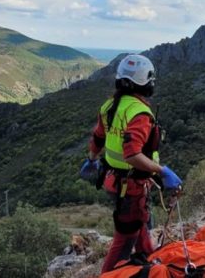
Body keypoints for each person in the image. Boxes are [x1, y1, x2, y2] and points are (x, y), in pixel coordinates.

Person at [80, 54, 183, 273]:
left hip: (113, 180)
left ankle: (147, 262)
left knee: (142, 226)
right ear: (144, 82)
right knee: (124, 241)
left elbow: (99, 138)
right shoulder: (139, 113)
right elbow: (132, 154)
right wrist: (162, 171)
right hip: (130, 186)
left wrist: (91, 160)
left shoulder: (110, 105)